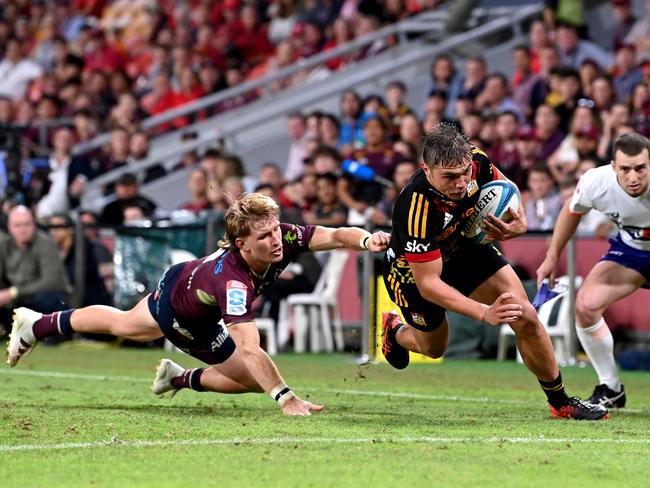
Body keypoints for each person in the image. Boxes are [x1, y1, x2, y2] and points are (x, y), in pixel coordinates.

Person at [7, 193, 391, 416]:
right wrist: (286, 398)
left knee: (124, 324)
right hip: (186, 315)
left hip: (181, 277)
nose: (276, 240)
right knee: (257, 380)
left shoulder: (282, 236)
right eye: (264, 235)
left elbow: (336, 233)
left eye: (276, 228)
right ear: (241, 244)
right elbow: (250, 348)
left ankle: (37, 324)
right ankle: (179, 378)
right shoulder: (234, 282)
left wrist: (365, 241)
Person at [380, 123, 608, 420]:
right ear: (426, 169)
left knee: (524, 314)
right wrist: (483, 312)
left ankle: (560, 401)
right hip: (413, 272)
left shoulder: (477, 162)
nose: (461, 183)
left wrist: (520, 223)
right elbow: (429, 285)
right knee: (434, 348)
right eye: (450, 177)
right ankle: (395, 332)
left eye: (464, 173)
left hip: (464, 248)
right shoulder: (415, 206)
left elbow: (509, 191)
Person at [536, 132, 650, 408]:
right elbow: (571, 211)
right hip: (632, 251)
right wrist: (552, 256)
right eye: (625, 169)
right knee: (585, 306)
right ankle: (611, 388)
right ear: (614, 167)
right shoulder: (596, 182)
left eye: (640, 168)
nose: (633, 177)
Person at [0, 206, 72, 334]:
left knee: (46, 299)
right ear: (10, 227)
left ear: (34, 224)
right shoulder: (4, 245)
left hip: (45, 301)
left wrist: (14, 292)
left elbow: (51, 282)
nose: (23, 229)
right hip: (17, 305)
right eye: (17, 225)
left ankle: (53, 338)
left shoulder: (46, 243)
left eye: (27, 224)